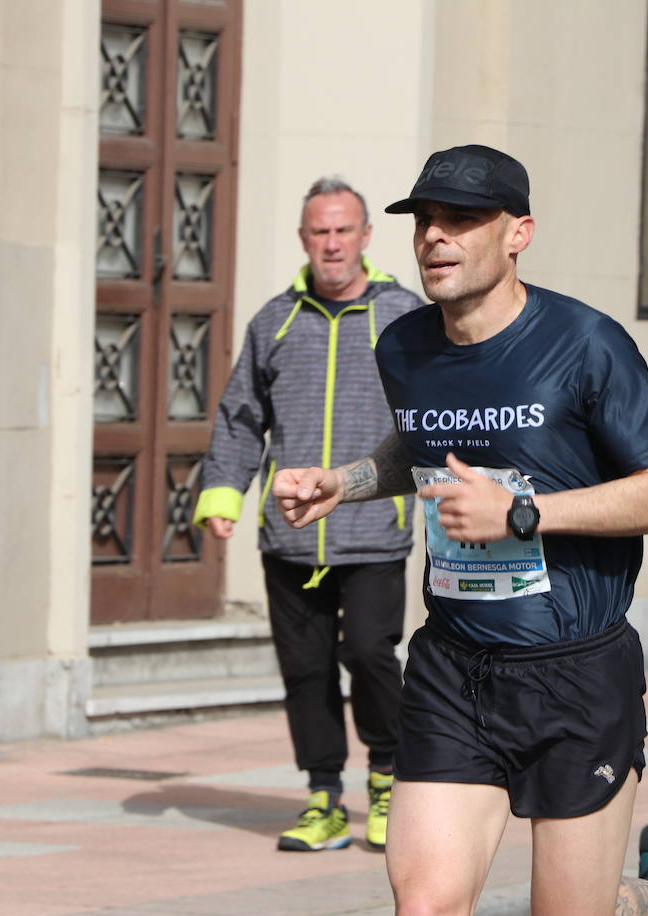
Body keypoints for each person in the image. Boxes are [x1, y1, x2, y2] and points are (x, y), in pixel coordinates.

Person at [272, 145, 648, 915]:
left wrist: (522, 513)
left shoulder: (586, 344)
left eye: (461, 220)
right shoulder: (405, 347)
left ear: (518, 233)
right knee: (426, 906)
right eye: (424, 221)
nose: (435, 237)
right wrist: (342, 484)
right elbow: (421, 447)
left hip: (574, 673)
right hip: (454, 667)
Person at [192, 177, 423, 853]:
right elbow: (240, 417)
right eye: (319, 231)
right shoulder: (274, 321)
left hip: (373, 531)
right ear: (303, 240)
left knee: (371, 654)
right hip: (289, 537)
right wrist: (223, 493)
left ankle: (387, 780)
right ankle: (323, 798)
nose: (331, 243)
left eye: (343, 230)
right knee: (306, 669)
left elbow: (429, 414)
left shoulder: (402, 317)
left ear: (365, 237)